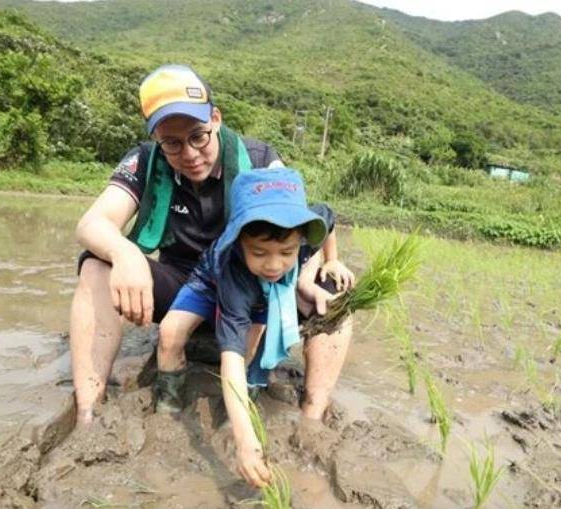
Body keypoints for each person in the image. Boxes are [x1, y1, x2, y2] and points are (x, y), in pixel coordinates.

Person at [70, 64, 284, 426]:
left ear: (215, 119)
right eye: (172, 142)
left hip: (243, 291)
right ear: (157, 139)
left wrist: (324, 265)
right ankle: (87, 412)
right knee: (95, 263)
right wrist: (125, 253)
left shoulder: (260, 161)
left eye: (198, 136)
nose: (188, 153)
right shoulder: (145, 161)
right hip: (180, 291)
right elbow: (92, 223)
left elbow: (291, 229)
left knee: (330, 288)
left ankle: (313, 414)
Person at [158, 167, 354, 487]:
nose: (274, 264)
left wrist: (332, 259)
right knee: (170, 335)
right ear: (239, 241)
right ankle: (166, 406)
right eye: (259, 252)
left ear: (301, 237)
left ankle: (242, 404)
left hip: (260, 289)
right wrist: (246, 442)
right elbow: (230, 360)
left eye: (286, 253)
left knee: (253, 341)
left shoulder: (303, 230)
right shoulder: (236, 274)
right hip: (209, 281)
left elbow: (327, 217)